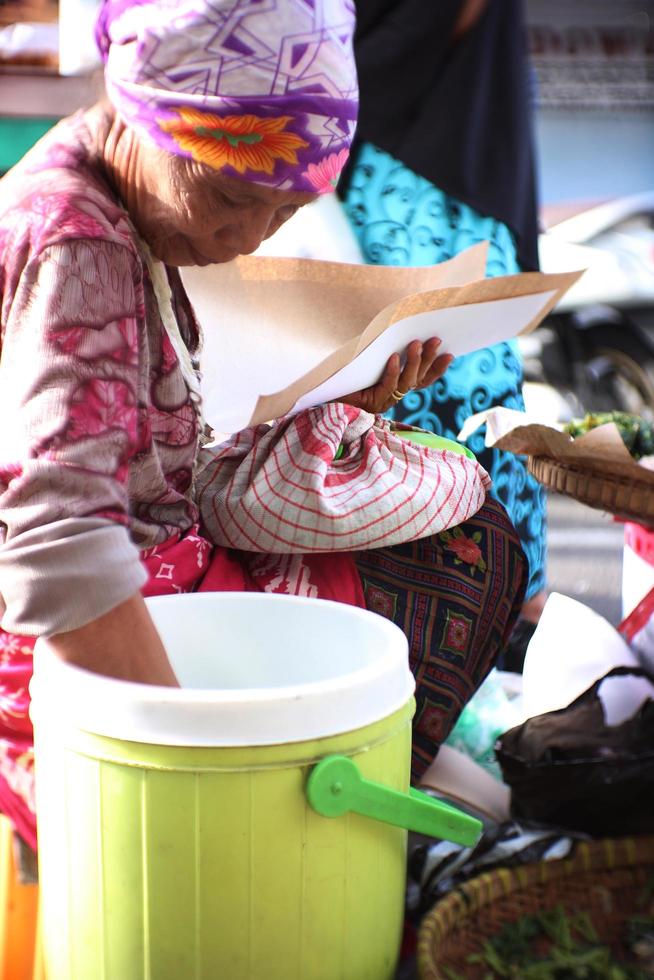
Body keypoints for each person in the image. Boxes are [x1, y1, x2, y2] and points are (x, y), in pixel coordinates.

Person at [0, 0, 526, 852]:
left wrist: (351, 404)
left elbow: (152, 452)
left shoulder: (117, 210)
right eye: (229, 197)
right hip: (66, 663)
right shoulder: (78, 247)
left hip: (162, 577)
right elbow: (58, 553)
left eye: (280, 214)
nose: (244, 237)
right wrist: (186, 765)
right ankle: (295, 814)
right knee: (462, 554)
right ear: (140, 110)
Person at [339, 0, 546, 663]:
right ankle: (500, 610)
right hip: (431, 164)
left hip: (414, 166)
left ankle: (496, 610)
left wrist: (323, 85)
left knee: (431, 383)